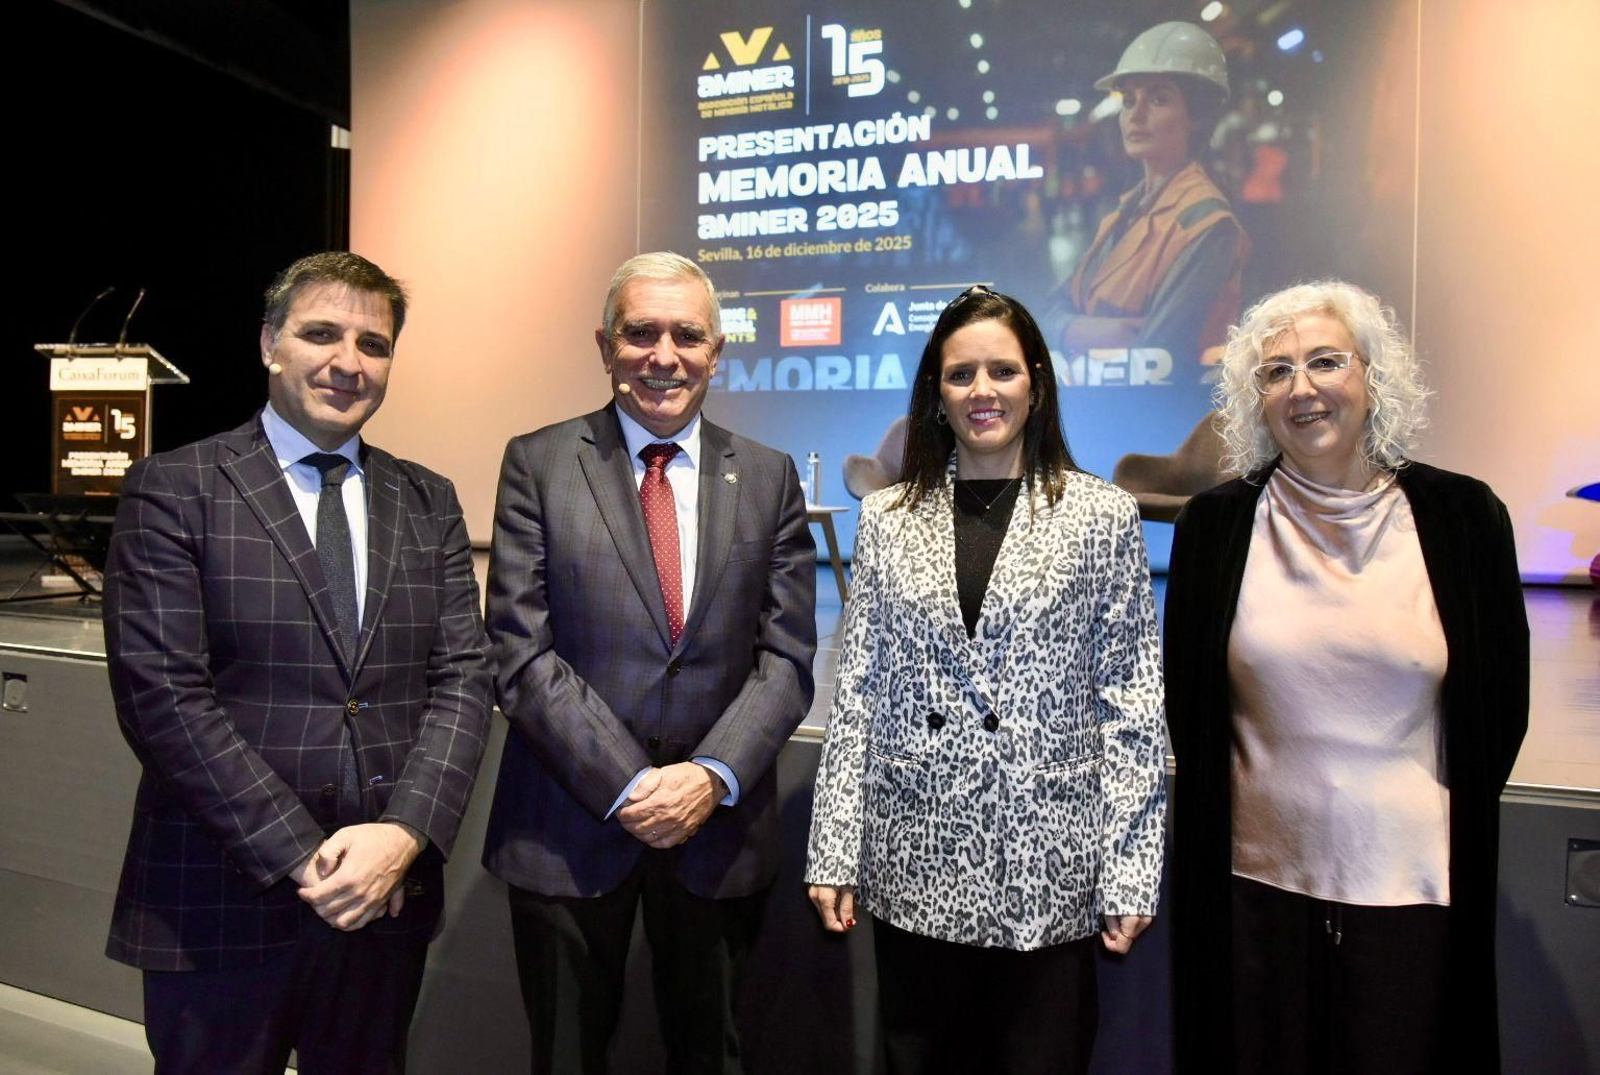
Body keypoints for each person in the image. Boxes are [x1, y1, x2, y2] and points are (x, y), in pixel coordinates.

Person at [102, 252, 493, 1073]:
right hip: (219, 898)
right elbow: (163, 698)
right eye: (322, 334)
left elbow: (463, 680)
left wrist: (404, 832)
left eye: (373, 343)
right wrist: (301, 856)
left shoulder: (430, 499)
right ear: (270, 344)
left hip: (386, 897)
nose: (348, 362)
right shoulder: (176, 488)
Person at [1164, 281, 1529, 1072]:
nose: (1302, 388)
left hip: (1413, 896)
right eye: (1276, 372)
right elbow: (1189, 711)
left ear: (1372, 377)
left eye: (1325, 362)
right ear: (1254, 399)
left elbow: (1498, 715)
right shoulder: (1215, 526)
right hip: (1252, 896)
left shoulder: (1464, 517)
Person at [805, 286, 1166, 1074]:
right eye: (961, 374)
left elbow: (1133, 704)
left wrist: (1131, 866)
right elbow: (858, 689)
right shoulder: (888, 517)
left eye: (1002, 370)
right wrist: (834, 847)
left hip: (1045, 866)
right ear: (936, 392)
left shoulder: (1101, 516)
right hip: (916, 862)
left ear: (1036, 381)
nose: (983, 391)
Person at [481, 251, 818, 1072]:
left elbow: (787, 658)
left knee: (714, 1058)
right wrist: (631, 786)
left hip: (720, 835)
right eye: (640, 332)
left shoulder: (770, 478)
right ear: (605, 345)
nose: (662, 355)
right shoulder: (539, 462)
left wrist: (707, 777)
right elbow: (521, 651)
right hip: (568, 827)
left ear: (716, 351)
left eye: (686, 335)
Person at [1042, 20, 1249, 370]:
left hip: (1166, 418)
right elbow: (1047, 312)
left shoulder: (1208, 223)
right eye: (1128, 99)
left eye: (1159, 98)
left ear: (1197, 116)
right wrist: (1100, 332)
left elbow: (1154, 359)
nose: (1135, 115)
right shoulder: (1126, 212)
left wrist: (1070, 329)